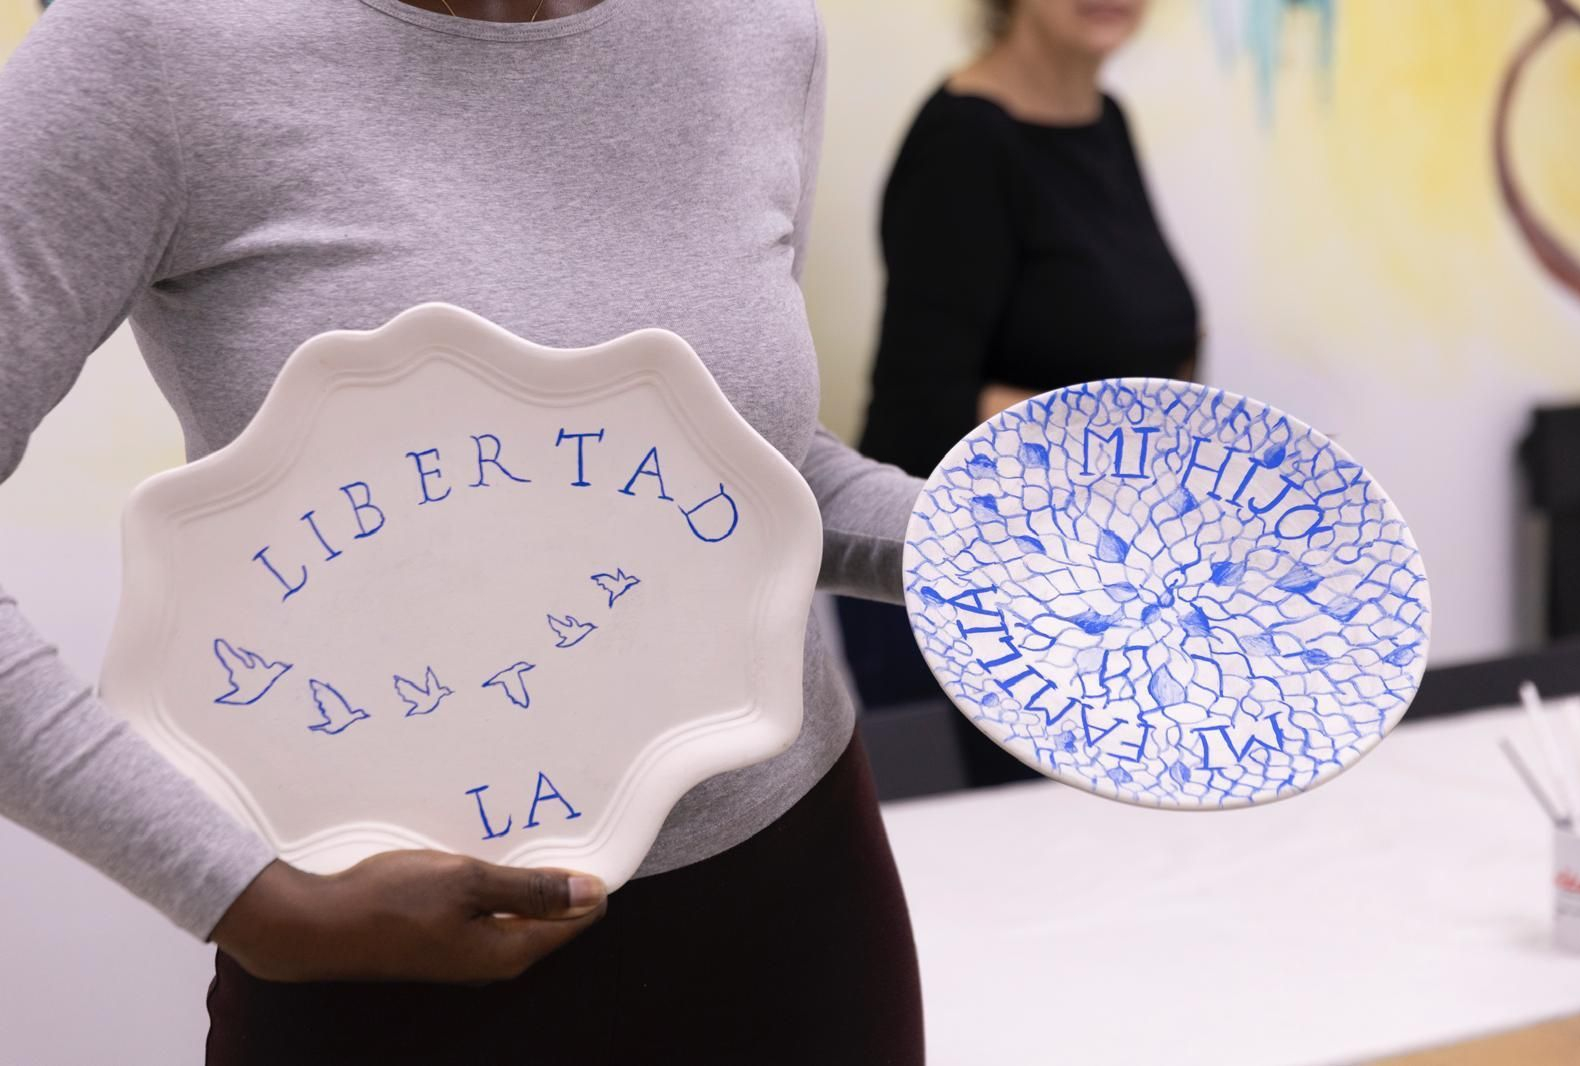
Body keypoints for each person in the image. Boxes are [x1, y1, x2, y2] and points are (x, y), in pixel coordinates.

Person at [0, 0, 926, 1061]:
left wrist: (1003, 550)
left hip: (792, 902)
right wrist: (246, 896)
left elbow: (740, 469)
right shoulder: (153, 44)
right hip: (383, 962)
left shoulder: (757, 28)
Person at [838, 0, 1200, 786]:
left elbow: (1146, 339)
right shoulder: (963, 143)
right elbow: (925, 406)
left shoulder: (1105, 121)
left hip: (1095, 579)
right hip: (972, 593)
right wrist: (1151, 445)